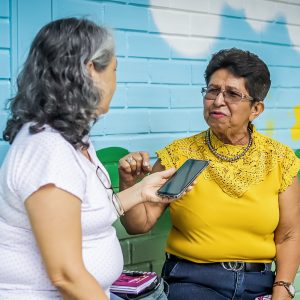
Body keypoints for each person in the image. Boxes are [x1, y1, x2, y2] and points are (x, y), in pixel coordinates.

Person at [0, 18, 177, 300]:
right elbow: (66, 275)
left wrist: (143, 191)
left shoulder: (72, 139)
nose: (116, 83)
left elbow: (85, 214)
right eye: (115, 70)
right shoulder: (48, 149)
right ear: (90, 69)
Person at [119, 48, 300, 300]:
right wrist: (129, 182)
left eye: (233, 94)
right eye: (212, 91)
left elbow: (290, 235)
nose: (217, 101)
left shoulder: (280, 160)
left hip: (259, 285)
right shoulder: (179, 155)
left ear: (256, 108)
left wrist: (283, 290)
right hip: (192, 282)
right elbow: (140, 224)